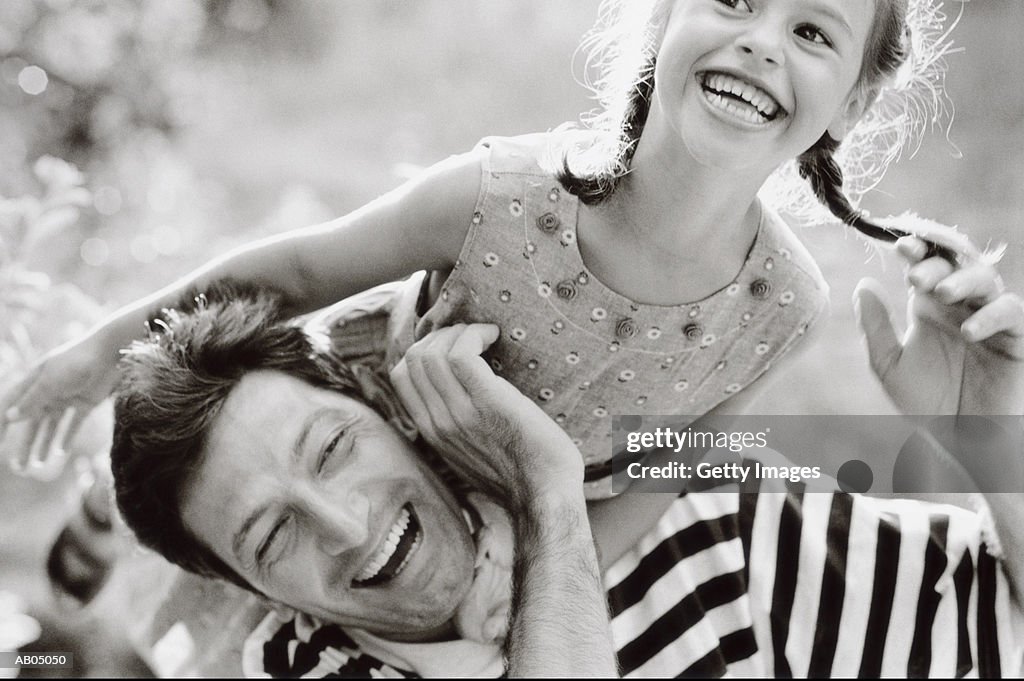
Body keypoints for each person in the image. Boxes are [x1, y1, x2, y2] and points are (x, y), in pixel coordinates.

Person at [0, 0, 990, 497]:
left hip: (531, 537)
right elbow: (290, 274)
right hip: (339, 477)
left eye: (813, 31)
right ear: (661, 21)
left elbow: (667, 469)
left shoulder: (782, 302)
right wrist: (102, 349)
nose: (762, 39)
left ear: (851, 104)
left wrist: (533, 592)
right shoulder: (501, 195)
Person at [109, 257, 1024, 677]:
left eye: (334, 450)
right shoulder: (303, 669)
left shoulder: (691, 500)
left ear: (386, 411)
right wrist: (545, 488)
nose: (346, 525)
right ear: (259, 592)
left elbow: (996, 616)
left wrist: (995, 438)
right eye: (272, 537)